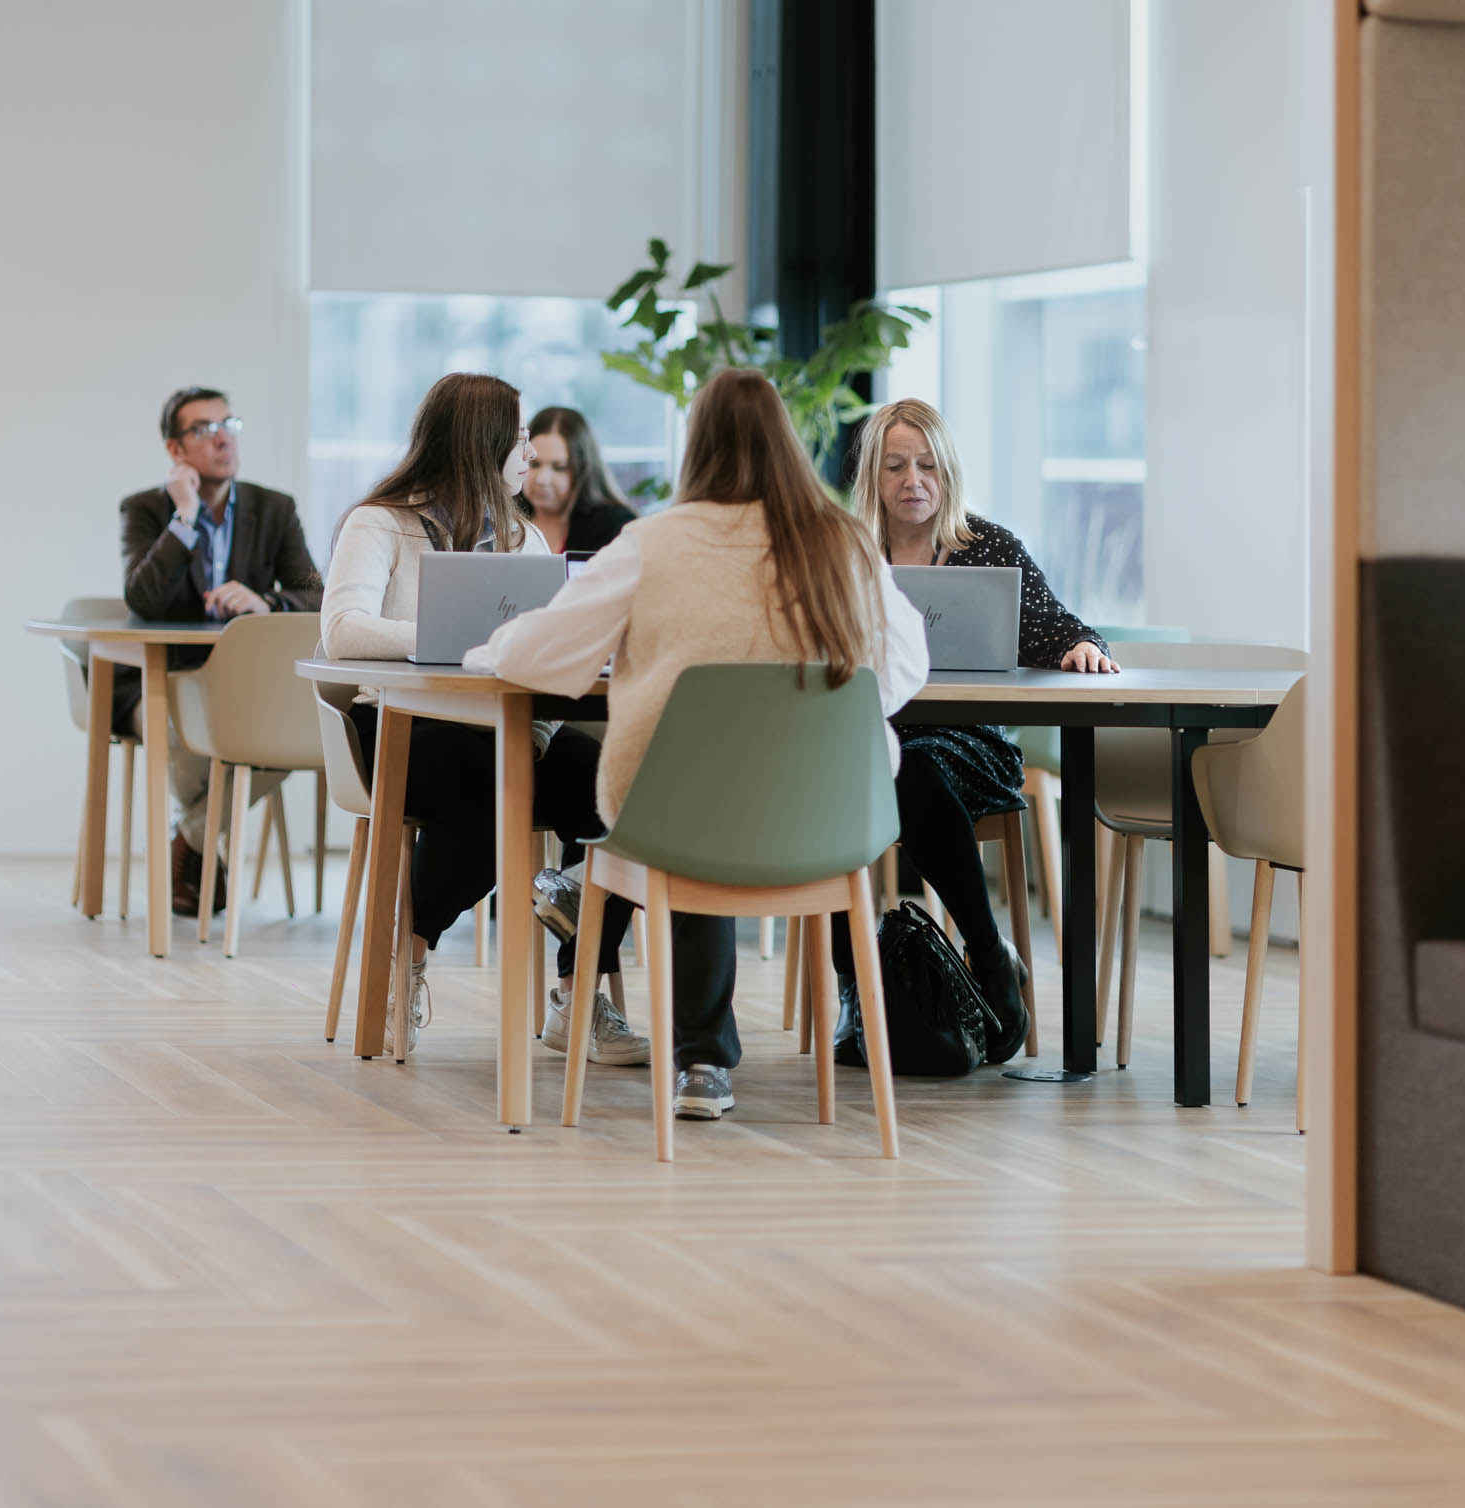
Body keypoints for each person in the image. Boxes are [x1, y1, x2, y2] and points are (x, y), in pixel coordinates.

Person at [469, 368, 928, 1120]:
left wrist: (486, 647)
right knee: (722, 781)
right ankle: (707, 1056)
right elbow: (904, 666)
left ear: (697, 448)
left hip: (679, 813)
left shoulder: (652, 544)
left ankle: (702, 1060)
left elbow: (540, 656)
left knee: (695, 789)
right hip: (827, 819)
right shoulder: (843, 539)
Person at [321, 372, 628, 1063]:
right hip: (399, 733)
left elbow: (546, 644)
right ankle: (412, 948)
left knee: (626, 780)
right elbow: (343, 632)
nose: (528, 453)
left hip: (510, 733)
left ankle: (578, 992)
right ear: (481, 443)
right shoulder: (380, 523)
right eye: (519, 438)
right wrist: (460, 640)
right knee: (495, 774)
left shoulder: (524, 540)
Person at [836, 397, 1117, 1067]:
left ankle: (987, 958)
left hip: (966, 744)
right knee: (864, 770)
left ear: (948, 472)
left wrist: (1080, 645)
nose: (914, 481)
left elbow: (1056, 625)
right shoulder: (844, 553)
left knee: (916, 767)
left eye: (928, 465)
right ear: (873, 475)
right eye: (897, 466)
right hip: (860, 743)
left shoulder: (986, 546)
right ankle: (859, 990)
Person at [119, 387, 323, 917]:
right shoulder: (146, 509)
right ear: (175, 450)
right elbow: (141, 598)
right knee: (184, 733)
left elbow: (315, 592)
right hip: (166, 683)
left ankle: (189, 842)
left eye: (228, 423)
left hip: (246, 687)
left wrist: (265, 600)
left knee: (301, 734)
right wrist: (183, 518)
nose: (221, 437)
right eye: (203, 428)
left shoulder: (274, 509)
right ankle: (201, 851)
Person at [521, 405, 637, 558]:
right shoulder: (501, 517)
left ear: (584, 470)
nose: (542, 479)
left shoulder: (614, 526)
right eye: (534, 464)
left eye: (559, 467)